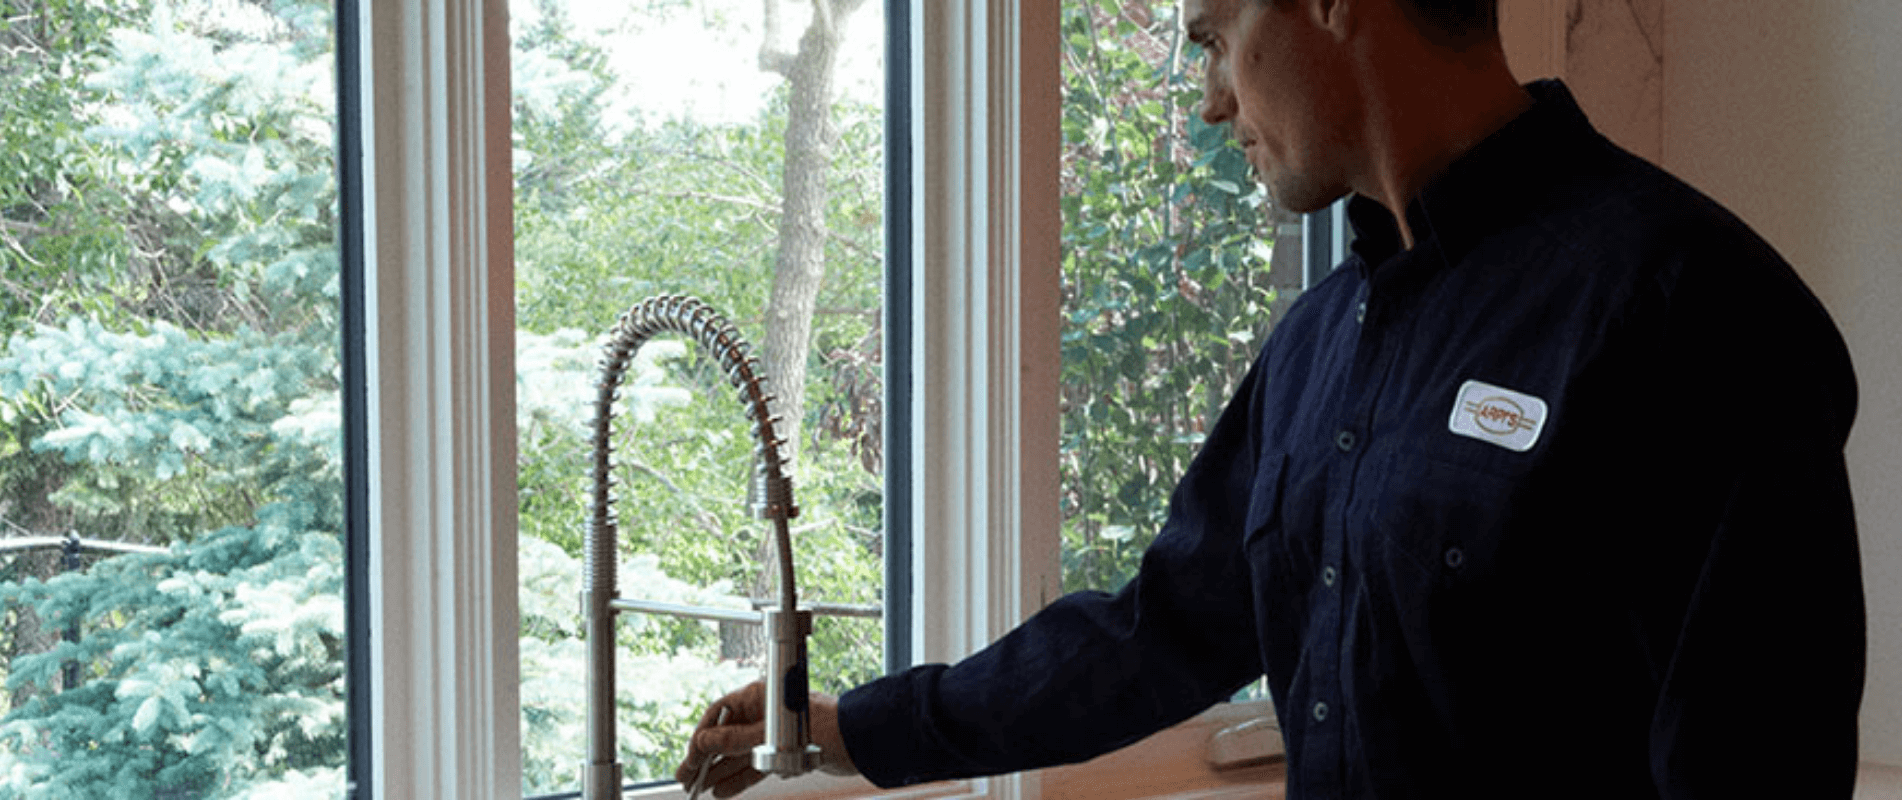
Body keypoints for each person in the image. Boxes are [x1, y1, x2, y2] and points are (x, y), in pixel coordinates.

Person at [679, 0, 1866, 796]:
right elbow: (1161, 630)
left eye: (1214, 36)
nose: (1209, 99)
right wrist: (855, 723)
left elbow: (1756, 763)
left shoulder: (1688, 308)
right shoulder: (1320, 344)